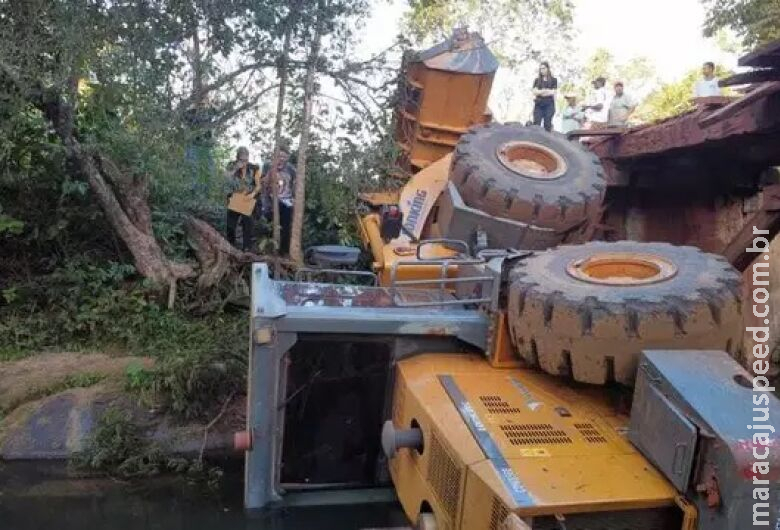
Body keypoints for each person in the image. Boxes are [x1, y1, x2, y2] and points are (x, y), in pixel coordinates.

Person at [224, 146, 261, 251]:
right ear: (237, 158)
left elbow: (258, 185)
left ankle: (246, 249)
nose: (244, 162)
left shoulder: (254, 168)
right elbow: (226, 178)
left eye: (246, 160)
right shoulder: (231, 165)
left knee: (247, 226)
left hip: (248, 199)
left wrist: (253, 194)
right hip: (235, 198)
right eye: (241, 160)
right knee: (230, 225)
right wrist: (236, 168)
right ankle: (230, 247)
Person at [261, 146, 296, 255]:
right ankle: (269, 251)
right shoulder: (268, 166)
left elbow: (296, 184)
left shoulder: (291, 169)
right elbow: (263, 184)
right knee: (270, 227)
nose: (281, 159)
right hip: (271, 202)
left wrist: (294, 198)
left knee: (285, 227)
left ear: (287, 158)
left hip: (286, 201)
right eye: (279, 156)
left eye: (284, 157)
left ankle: (283, 252)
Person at [531, 62, 558, 132]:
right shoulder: (537, 80)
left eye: (543, 68)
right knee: (536, 124)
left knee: (547, 124)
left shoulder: (553, 80)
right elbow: (534, 92)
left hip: (549, 105)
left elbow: (553, 92)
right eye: (540, 69)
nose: (542, 70)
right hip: (539, 105)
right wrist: (546, 91)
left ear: (548, 69)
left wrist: (541, 92)